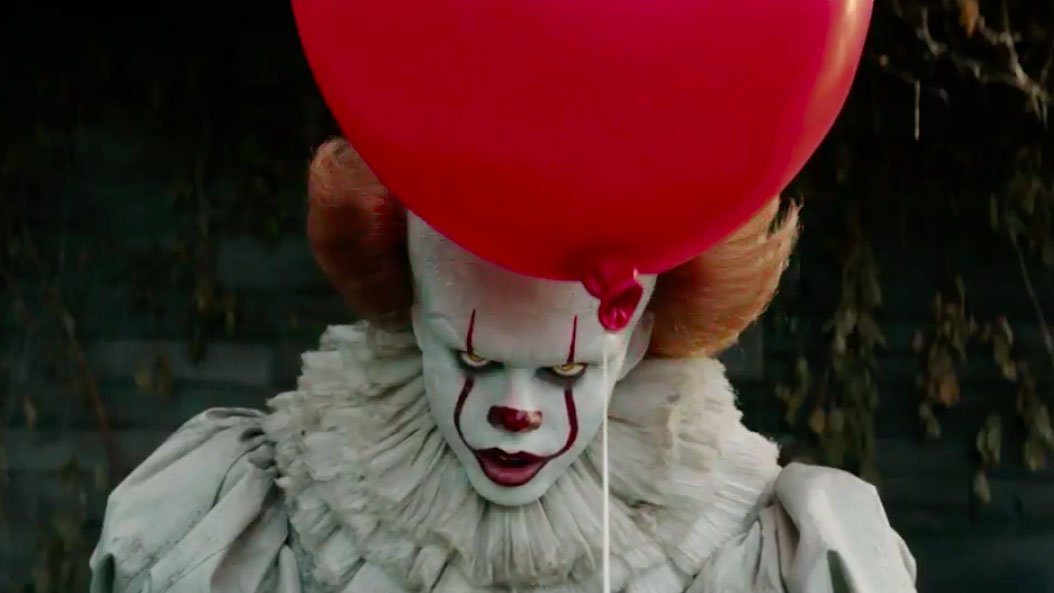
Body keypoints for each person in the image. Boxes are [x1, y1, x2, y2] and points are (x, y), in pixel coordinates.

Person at [88, 139, 917, 593]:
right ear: (411, 311)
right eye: (474, 355)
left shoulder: (772, 556)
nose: (514, 408)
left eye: (566, 371)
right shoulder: (258, 515)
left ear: (634, 343)